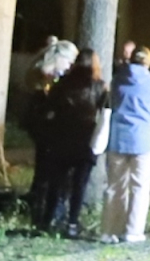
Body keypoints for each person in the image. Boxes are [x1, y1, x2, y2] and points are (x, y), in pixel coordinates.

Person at [32, 52, 104, 236]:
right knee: (79, 184)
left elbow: (49, 108)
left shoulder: (62, 84)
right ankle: (72, 223)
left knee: (56, 182)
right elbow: (103, 113)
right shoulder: (99, 86)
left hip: (62, 138)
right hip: (86, 140)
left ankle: (48, 220)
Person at [102, 43, 150, 243]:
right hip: (143, 139)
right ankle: (133, 231)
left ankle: (110, 230)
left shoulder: (118, 80)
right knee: (139, 187)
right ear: (148, 61)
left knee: (115, 186)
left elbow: (111, 102)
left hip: (118, 137)